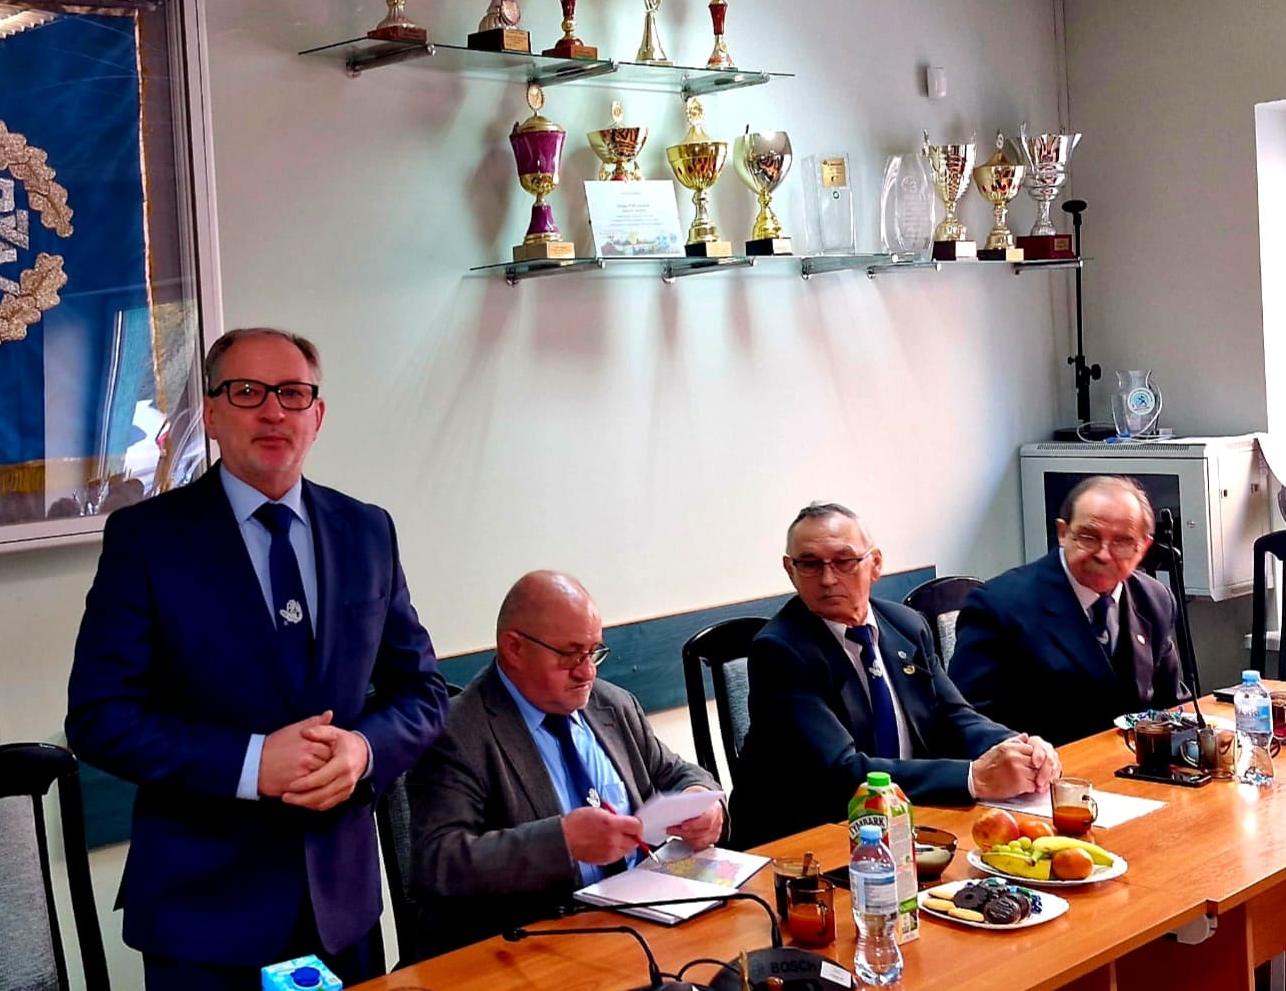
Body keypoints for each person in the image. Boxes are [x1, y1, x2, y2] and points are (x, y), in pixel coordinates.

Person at [66, 327, 449, 990]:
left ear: (317, 417)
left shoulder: (366, 531)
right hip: (203, 916)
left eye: (293, 394)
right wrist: (250, 764)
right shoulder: (148, 540)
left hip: (340, 906)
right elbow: (100, 717)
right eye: (247, 392)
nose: (273, 411)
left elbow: (422, 692)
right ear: (212, 415)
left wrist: (362, 751)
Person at [408, 570, 726, 955]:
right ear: (514, 648)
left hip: (644, 927)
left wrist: (704, 801)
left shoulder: (613, 705)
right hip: (532, 947)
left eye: (593, 652)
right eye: (570, 655)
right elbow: (439, 864)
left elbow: (677, 773)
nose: (587, 671)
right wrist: (562, 843)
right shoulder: (456, 732)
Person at [732, 503, 1060, 847]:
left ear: (875, 564)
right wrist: (972, 777)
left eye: (844, 561)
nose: (828, 579)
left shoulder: (906, 624)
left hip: (907, 818)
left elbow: (955, 715)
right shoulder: (780, 649)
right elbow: (842, 772)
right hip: (812, 836)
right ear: (790, 569)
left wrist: (1018, 747)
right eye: (810, 564)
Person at [949, 475, 1185, 747]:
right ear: (1063, 533)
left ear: (1143, 547)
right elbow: (965, 722)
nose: (1103, 554)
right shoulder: (999, 605)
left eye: (1121, 542)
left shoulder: (1154, 599)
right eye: (1089, 537)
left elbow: (1171, 705)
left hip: (1135, 764)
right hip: (1046, 767)